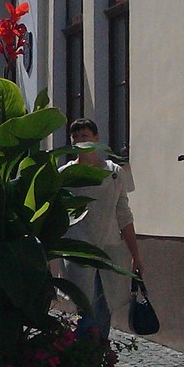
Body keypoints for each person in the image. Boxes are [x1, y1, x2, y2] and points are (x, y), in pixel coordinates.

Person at [61, 118, 143, 339]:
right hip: (78, 252)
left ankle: (93, 359)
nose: (80, 141)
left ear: (96, 139)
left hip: (108, 251)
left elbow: (123, 214)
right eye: (75, 137)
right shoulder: (65, 175)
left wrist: (135, 255)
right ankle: (87, 360)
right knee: (87, 310)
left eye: (85, 136)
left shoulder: (113, 173)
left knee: (102, 310)